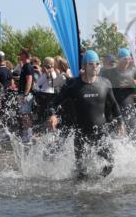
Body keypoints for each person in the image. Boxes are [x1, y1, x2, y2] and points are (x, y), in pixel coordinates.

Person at [49, 49, 122, 178]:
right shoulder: (73, 85)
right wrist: (53, 115)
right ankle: (79, 194)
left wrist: (120, 123)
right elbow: (54, 103)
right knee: (81, 172)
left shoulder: (105, 83)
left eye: (98, 63)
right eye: (91, 64)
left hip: (101, 133)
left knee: (110, 163)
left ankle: (97, 186)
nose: (95, 66)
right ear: (84, 66)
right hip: (81, 134)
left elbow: (114, 104)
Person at [100, 48, 136, 134]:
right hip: (115, 109)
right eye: (125, 59)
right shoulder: (110, 72)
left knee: (134, 135)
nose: (127, 61)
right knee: (115, 137)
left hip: (129, 109)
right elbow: (98, 82)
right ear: (119, 59)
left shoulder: (133, 71)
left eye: (129, 59)